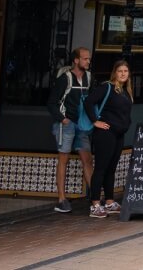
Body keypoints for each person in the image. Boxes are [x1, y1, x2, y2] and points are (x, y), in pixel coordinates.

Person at [46, 47, 94, 213]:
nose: (88, 61)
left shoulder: (89, 77)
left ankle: (95, 198)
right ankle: (61, 199)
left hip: (82, 124)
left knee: (87, 159)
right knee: (63, 159)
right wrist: (63, 119)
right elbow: (51, 103)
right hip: (67, 124)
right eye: (85, 59)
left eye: (88, 59)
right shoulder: (65, 78)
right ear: (76, 60)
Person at [85, 60, 133, 218]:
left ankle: (110, 202)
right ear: (114, 73)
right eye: (120, 71)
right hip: (105, 133)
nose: (123, 74)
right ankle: (95, 205)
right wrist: (94, 121)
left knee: (111, 169)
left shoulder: (126, 91)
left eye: (125, 71)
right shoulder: (107, 87)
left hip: (119, 134)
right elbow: (88, 101)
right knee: (101, 168)